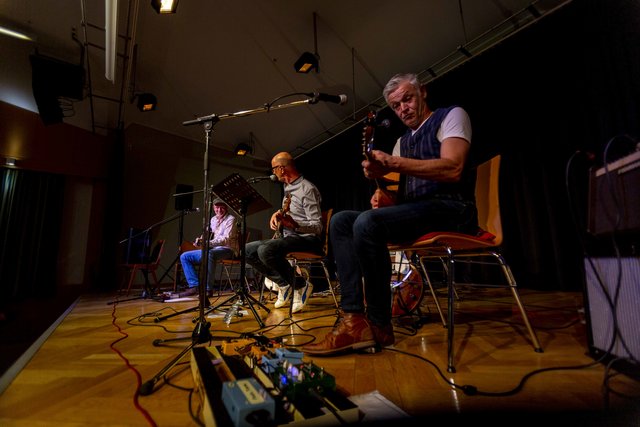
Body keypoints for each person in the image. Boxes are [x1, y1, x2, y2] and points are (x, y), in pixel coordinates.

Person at [303, 72, 478, 355]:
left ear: (423, 92)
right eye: (396, 106)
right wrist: (384, 196)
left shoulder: (451, 116)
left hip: (454, 209)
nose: (403, 109)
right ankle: (353, 318)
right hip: (419, 213)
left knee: (367, 223)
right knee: (341, 221)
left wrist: (394, 163)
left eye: (407, 99)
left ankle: (379, 323)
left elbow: (453, 168)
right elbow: (403, 199)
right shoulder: (402, 142)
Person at [245, 152, 322, 313]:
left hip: (307, 239)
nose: (273, 172)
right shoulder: (287, 188)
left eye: (274, 169)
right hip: (290, 238)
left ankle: (301, 285)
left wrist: (295, 225)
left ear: (281, 168)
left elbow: (317, 227)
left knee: (265, 250)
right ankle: (284, 283)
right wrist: (278, 213)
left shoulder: (307, 189)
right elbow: (291, 210)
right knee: (246, 250)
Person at [174, 198, 239, 297]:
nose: (219, 210)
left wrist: (207, 243)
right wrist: (200, 240)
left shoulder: (231, 219)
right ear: (213, 208)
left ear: (226, 208)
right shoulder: (213, 219)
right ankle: (194, 286)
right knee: (184, 256)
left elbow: (225, 239)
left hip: (228, 249)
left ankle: (208, 289)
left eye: (222, 207)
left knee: (209, 254)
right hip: (213, 249)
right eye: (217, 207)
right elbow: (207, 233)